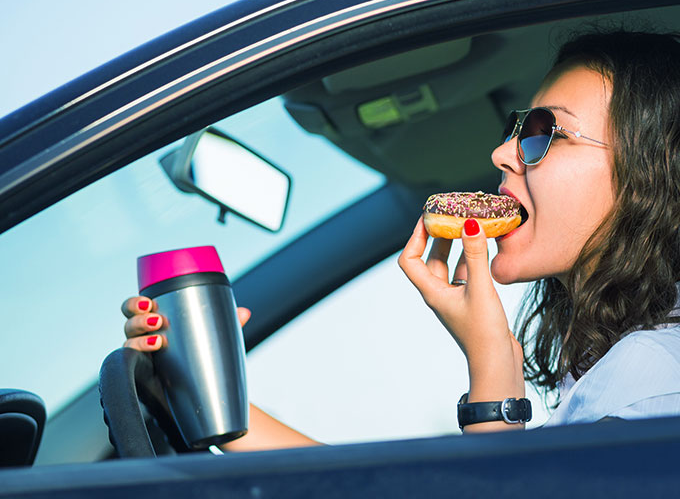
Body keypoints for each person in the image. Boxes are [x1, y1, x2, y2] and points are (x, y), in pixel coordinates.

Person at [122, 29, 680, 443]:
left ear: (648, 175)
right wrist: (206, 394)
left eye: (541, 133)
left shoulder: (654, 376)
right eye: (515, 128)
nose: (502, 153)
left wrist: (492, 369)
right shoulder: (623, 374)